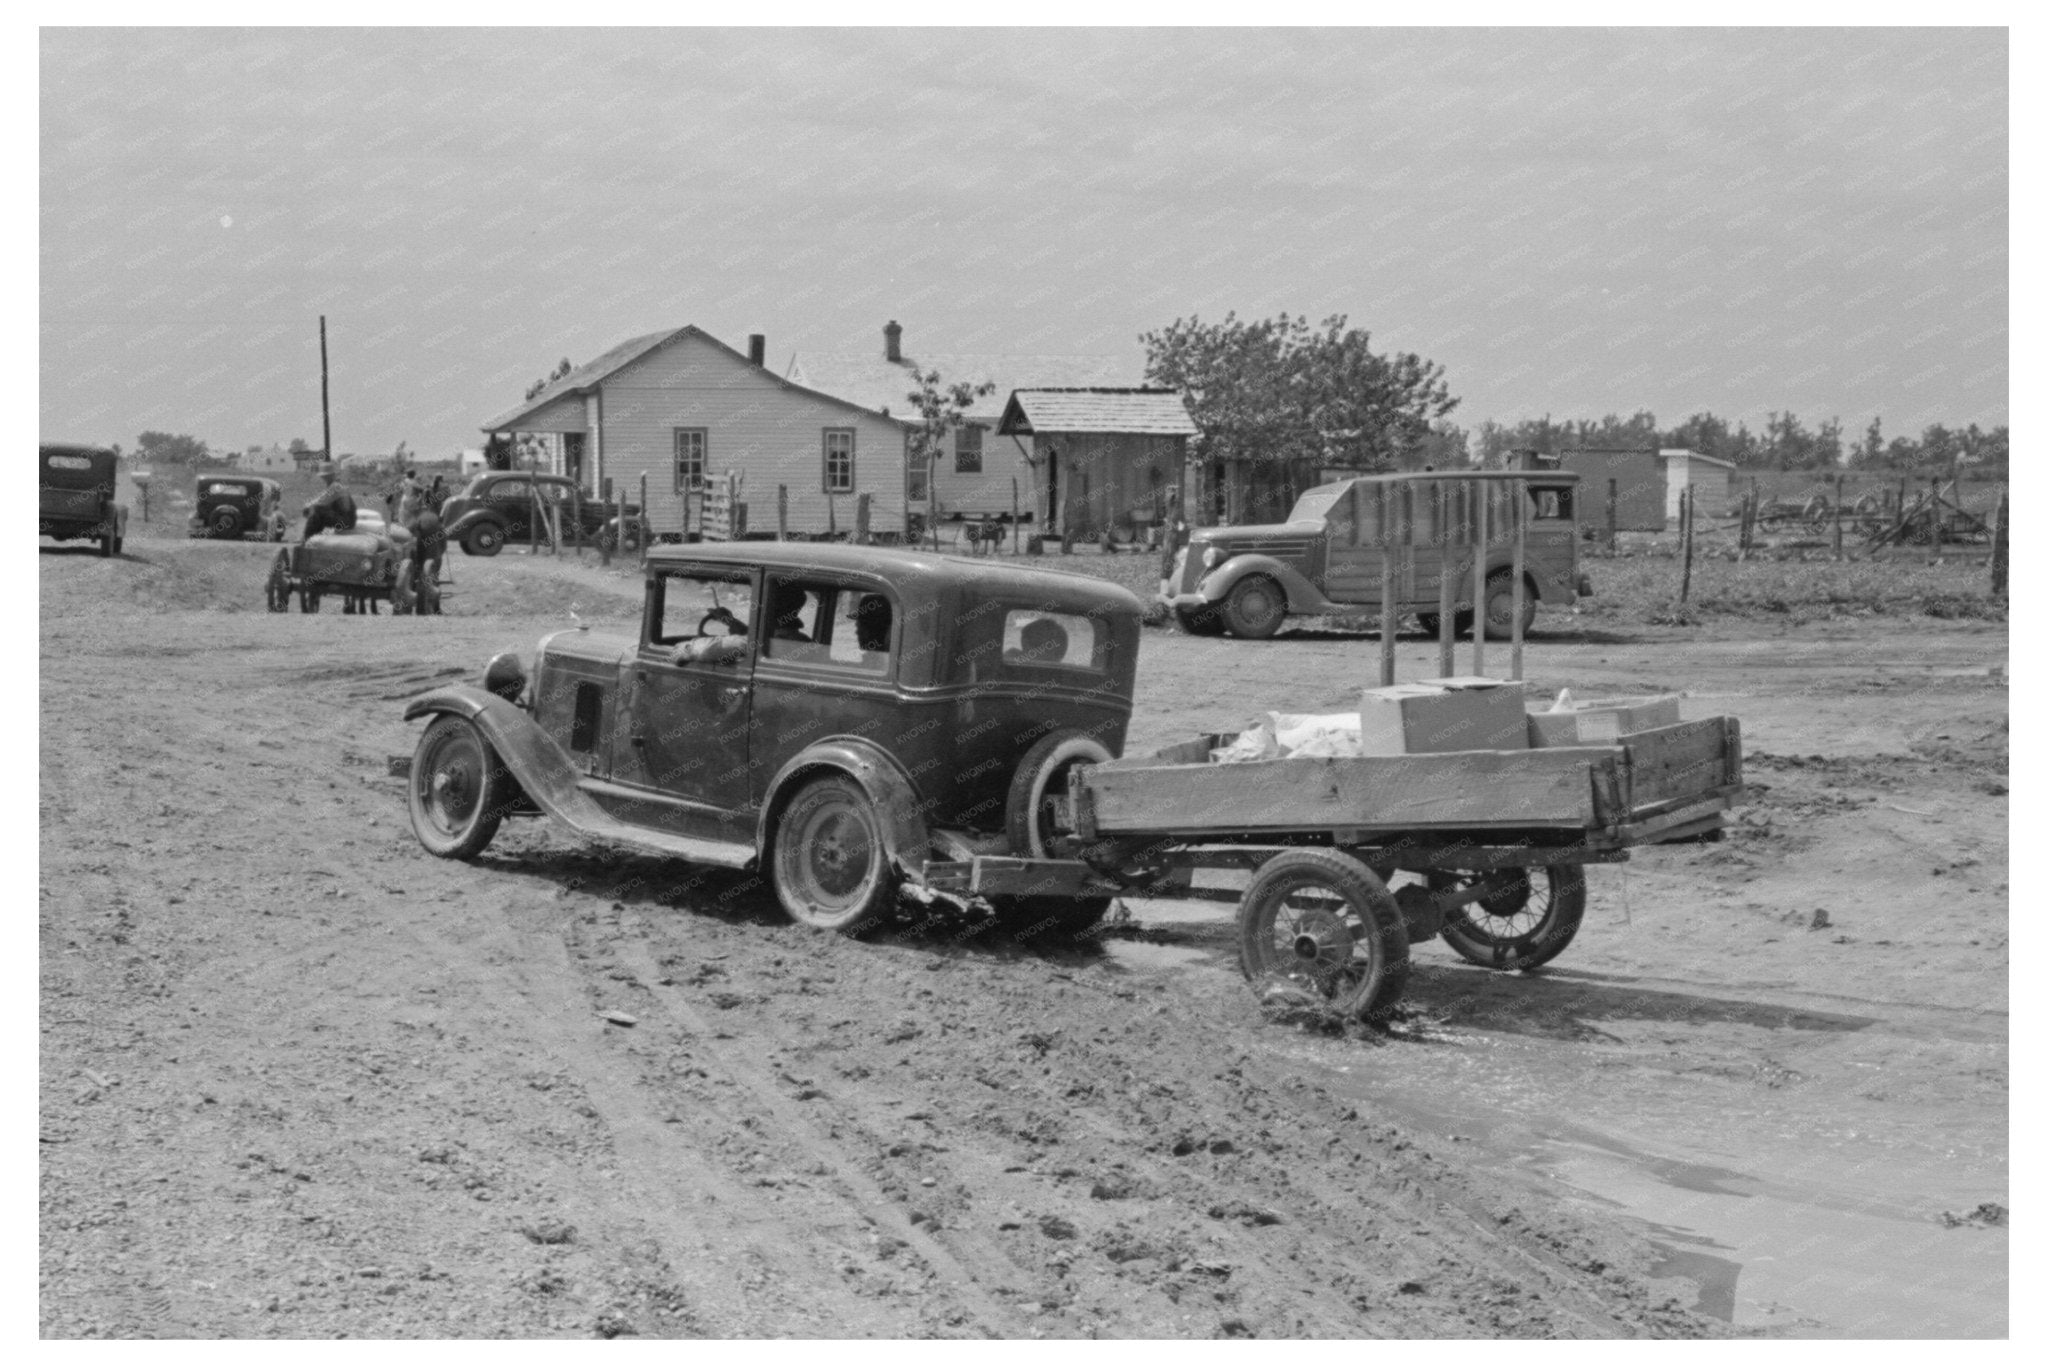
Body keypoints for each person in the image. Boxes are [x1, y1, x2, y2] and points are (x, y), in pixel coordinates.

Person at [301, 463, 357, 539]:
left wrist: (307, 507)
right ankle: (313, 539)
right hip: (347, 520)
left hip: (346, 521)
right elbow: (321, 497)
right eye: (324, 477)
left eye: (327, 476)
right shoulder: (335, 485)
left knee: (317, 510)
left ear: (332, 475)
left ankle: (307, 539)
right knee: (319, 513)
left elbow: (321, 501)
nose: (325, 478)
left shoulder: (335, 486)